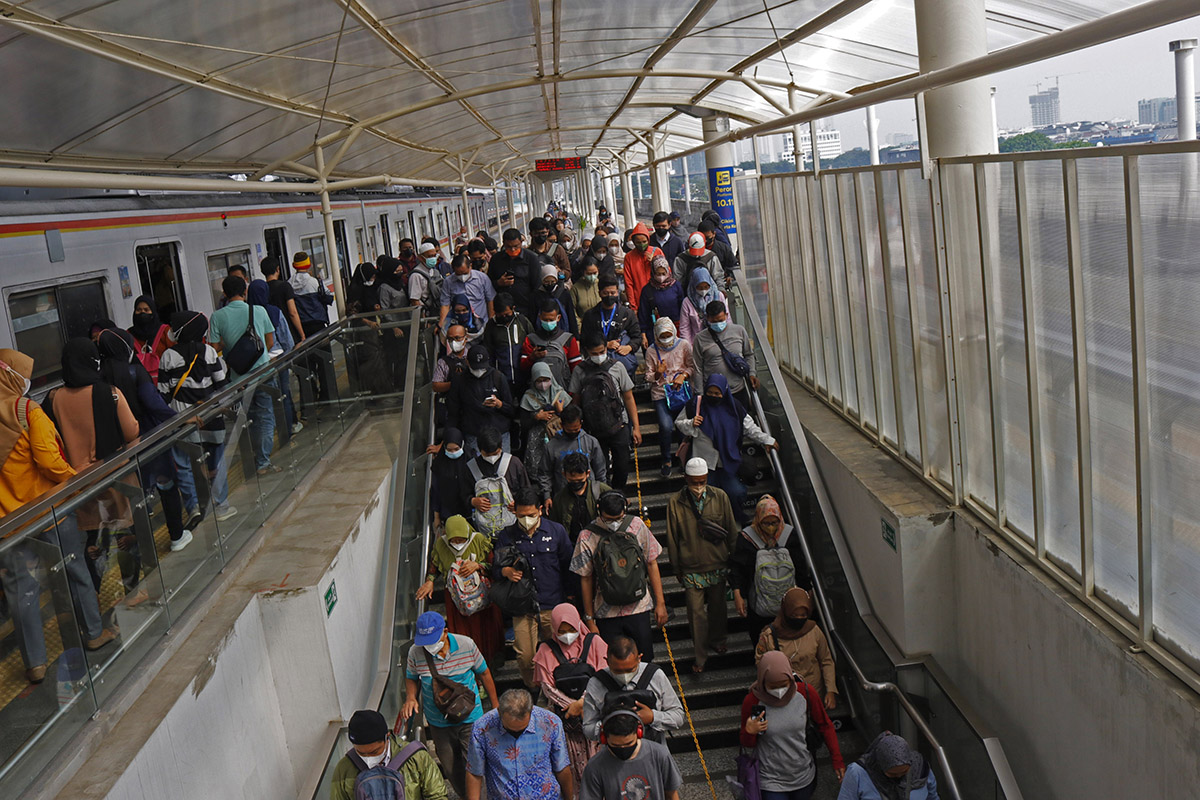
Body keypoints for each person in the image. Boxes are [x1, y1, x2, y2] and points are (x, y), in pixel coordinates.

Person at [0, 348, 114, 684]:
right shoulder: (27, 410)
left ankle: (35, 663)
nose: (27, 382)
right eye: (24, 375)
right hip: (46, 510)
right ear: (12, 377)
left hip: (8, 523)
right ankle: (93, 631)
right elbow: (49, 461)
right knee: (73, 568)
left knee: (22, 591)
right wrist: (75, 484)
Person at [48, 338, 141, 612]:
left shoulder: (54, 399)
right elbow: (131, 430)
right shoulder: (110, 393)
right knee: (125, 535)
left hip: (78, 484)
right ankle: (132, 592)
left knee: (93, 541)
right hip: (115, 478)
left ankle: (93, 600)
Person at [97, 329, 191, 555]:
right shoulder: (135, 371)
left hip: (119, 448)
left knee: (135, 497)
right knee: (166, 485)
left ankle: (140, 546)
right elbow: (153, 403)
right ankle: (176, 536)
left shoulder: (98, 379)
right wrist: (180, 419)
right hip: (149, 438)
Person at [402, 611, 499, 800]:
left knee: (475, 761)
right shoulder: (415, 652)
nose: (429, 646)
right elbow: (411, 678)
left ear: (445, 632)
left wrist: (495, 707)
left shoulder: (466, 644)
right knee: (450, 766)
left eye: (433, 640)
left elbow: (485, 673)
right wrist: (411, 697)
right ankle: (465, 795)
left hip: (470, 717)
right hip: (439, 721)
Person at [571, 492, 667, 660]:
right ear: (599, 510)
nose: (614, 524)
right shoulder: (587, 535)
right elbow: (585, 578)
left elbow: (652, 562)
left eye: (619, 518)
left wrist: (660, 604)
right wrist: (589, 618)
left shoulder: (637, 525)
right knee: (612, 662)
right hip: (606, 611)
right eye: (609, 519)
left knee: (644, 659)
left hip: (639, 606)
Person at [493, 488, 573, 689]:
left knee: (559, 652)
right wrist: (507, 572)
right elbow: (495, 569)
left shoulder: (556, 531)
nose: (526, 519)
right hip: (523, 606)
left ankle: (558, 688)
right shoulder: (507, 536)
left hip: (553, 604)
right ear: (515, 513)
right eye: (521, 516)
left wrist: (571, 599)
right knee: (526, 656)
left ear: (540, 510)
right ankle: (535, 689)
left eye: (531, 515)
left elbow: (568, 565)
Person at [158, 311, 235, 521]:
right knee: (216, 463)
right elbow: (222, 386)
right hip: (211, 417)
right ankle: (221, 506)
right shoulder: (210, 352)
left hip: (183, 421)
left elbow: (163, 394)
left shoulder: (168, 357)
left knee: (184, 466)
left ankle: (194, 508)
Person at [665, 458, 737, 673]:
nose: (698, 486)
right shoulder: (675, 502)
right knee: (695, 613)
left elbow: (731, 530)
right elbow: (672, 538)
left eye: (702, 481)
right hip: (690, 566)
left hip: (718, 562)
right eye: (694, 482)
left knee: (718, 607)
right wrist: (676, 568)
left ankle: (718, 639)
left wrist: (734, 561)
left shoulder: (720, 497)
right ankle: (700, 655)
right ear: (686, 479)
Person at [740, 650, 845, 800]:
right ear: (762, 681)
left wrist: (837, 759)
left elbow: (825, 725)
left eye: (784, 684)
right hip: (770, 779)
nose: (779, 691)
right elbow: (746, 743)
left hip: (803, 774)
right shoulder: (753, 701)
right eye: (772, 686)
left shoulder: (805, 693)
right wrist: (750, 731)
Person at [675, 374, 776, 523]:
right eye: (710, 392)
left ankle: (734, 519)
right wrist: (691, 423)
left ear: (724, 392)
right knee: (704, 498)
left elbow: (750, 428)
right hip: (704, 464)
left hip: (728, 462)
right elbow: (679, 423)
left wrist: (767, 440)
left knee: (736, 492)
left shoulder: (735, 408)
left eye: (717, 393)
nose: (713, 396)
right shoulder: (695, 405)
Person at [533, 603, 609, 793]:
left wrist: (584, 703)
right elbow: (547, 687)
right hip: (566, 722)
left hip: (596, 717)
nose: (567, 634)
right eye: (562, 630)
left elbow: (604, 677)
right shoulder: (545, 650)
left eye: (571, 629)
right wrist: (572, 707)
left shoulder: (595, 643)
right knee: (575, 767)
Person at [208, 276, 280, 475]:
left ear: (224, 294)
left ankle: (251, 460)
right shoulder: (259, 310)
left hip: (238, 379)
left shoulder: (217, 317)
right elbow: (270, 342)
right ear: (245, 291)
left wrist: (232, 347)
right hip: (264, 374)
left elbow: (214, 350)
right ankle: (263, 462)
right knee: (265, 417)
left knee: (246, 419)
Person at [415, 514, 504, 666]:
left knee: (486, 632)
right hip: (457, 600)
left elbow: (495, 566)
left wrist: (478, 566)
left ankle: (490, 664)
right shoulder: (441, 545)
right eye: (454, 540)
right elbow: (434, 566)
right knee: (463, 633)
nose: (457, 543)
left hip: (482, 599)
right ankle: (470, 666)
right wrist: (430, 581)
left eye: (461, 539)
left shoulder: (479, 541)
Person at [731, 496, 810, 646]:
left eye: (774, 522)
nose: (771, 527)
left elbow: (800, 566)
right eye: (766, 523)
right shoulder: (746, 538)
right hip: (758, 599)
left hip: (787, 599)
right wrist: (738, 593)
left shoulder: (789, 535)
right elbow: (738, 568)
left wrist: (808, 591)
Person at [467, 688, 573, 800]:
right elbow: (474, 771)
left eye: (522, 730)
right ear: (499, 712)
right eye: (510, 730)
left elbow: (562, 767)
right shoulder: (482, 728)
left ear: (531, 711)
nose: (516, 733)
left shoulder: (551, 722)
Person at [567, 336, 641, 490]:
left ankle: (618, 493)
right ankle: (605, 494)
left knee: (622, 464)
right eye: (594, 353)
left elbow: (628, 398)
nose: (598, 356)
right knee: (601, 468)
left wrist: (636, 427)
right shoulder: (580, 370)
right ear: (587, 351)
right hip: (593, 428)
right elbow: (576, 400)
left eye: (602, 352)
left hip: (619, 425)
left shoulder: (617, 367)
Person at [580, 636, 683, 743]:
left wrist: (653, 717)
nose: (624, 675)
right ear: (607, 661)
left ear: (639, 658)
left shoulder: (655, 675)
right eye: (617, 671)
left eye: (630, 670)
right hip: (613, 751)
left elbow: (678, 716)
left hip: (653, 748)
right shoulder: (596, 683)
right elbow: (588, 728)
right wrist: (609, 724)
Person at [330, 709, 447, 800]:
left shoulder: (416, 758)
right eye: (361, 753)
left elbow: (437, 795)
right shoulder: (344, 769)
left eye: (374, 752)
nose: (368, 758)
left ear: (387, 737)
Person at [754, 587, 837, 710]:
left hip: (813, 692)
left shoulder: (814, 631)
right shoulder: (769, 636)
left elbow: (826, 660)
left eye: (803, 615)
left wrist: (831, 690)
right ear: (786, 611)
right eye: (794, 615)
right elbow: (760, 663)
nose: (799, 619)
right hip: (784, 695)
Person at [580, 708, 682, 800]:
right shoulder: (595, 766)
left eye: (629, 743)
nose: (623, 749)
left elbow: (671, 794)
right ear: (604, 739)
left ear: (639, 733)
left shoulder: (659, 755)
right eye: (616, 745)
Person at [644, 318, 694, 477]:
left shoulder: (684, 345)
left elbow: (692, 365)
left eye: (668, 335)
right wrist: (658, 372)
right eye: (662, 336)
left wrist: (684, 375)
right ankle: (666, 460)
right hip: (661, 393)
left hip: (680, 391)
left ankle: (683, 458)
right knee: (665, 426)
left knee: (683, 427)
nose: (666, 339)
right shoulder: (652, 351)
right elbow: (648, 376)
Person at [248, 278, 299, 435]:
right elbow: (286, 339)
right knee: (283, 394)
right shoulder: (274, 311)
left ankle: (267, 432)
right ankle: (288, 428)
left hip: (254, 364)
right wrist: (291, 355)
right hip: (277, 360)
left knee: (260, 401)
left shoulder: (247, 313)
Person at [464, 427, 530, 537]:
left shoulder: (514, 463)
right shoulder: (470, 468)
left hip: (513, 522)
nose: (491, 457)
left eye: (495, 453)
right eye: (487, 454)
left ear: (501, 447)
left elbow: (527, 490)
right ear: (480, 450)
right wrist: (472, 501)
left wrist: (519, 504)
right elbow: (463, 494)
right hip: (484, 528)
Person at [449, 345, 515, 455]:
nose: (479, 371)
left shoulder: (498, 377)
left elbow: (511, 409)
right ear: (467, 362)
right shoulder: (460, 381)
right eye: (476, 367)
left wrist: (499, 404)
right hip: (474, 434)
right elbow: (453, 411)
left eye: (482, 367)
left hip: (499, 433)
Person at [534, 404, 606, 504]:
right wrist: (547, 496)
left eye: (576, 430)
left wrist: (601, 493)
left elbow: (600, 470)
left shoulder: (591, 442)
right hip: (563, 496)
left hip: (590, 495)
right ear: (562, 425)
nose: (573, 432)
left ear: (581, 423)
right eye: (569, 430)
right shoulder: (551, 446)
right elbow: (545, 473)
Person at [289, 251, 335, 405]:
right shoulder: (315, 282)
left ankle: (309, 399)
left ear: (294, 266)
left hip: (300, 330)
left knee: (306, 366)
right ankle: (327, 397)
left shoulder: (289, 284)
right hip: (318, 328)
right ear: (308, 264)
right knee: (324, 362)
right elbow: (329, 298)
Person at [838, 732, 939, 800]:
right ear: (881, 766)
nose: (899, 776)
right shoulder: (857, 773)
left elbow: (933, 797)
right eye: (892, 774)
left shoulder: (920, 767)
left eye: (904, 772)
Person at [580, 278, 640, 379]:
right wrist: (605, 345)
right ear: (599, 293)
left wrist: (629, 347)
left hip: (623, 364)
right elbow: (584, 340)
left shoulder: (627, 314)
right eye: (606, 293)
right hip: (598, 363)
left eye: (613, 293)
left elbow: (637, 337)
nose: (610, 296)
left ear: (618, 292)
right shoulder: (590, 315)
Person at [550, 452, 611, 548]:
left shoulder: (602, 491)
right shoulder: (559, 499)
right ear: (564, 475)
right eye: (572, 481)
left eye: (580, 480)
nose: (576, 484)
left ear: (587, 474)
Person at [520, 299, 582, 389]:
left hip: (562, 392)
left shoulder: (568, 339)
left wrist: (571, 394)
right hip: (537, 394)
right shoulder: (531, 339)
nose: (548, 322)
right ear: (539, 317)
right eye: (545, 319)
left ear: (558, 318)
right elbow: (523, 368)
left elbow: (576, 369)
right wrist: (532, 357)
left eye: (551, 319)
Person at [481, 293, 532, 394]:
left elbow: (532, 342)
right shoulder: (491, 326)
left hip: (523, 376)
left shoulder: (522, 321)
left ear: (513, 308)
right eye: (501, 315)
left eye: (507, 314)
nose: (504, 317)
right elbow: (489, 351)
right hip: (502, 378)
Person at [488, 228, 541, 317]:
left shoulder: (531, 258)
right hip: (503, 310)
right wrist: (498, 283)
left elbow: (536, 285)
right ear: (503, 243)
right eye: (509, 247)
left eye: (516, 246)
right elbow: (488, 284)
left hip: (525, 308)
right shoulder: (496, 259)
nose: (512, 250)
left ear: (521, 242)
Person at [430, 428, 474, 527]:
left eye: (456, 449)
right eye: (449, 450)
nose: (453, 452)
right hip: (448, 515)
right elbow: (436, 491)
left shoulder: (472, 460)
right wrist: (436, 517)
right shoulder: (439, 465)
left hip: (470, 513)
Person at [636, 254, 684, 341]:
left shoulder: (676, 286)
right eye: (658, 274)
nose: (661, 277)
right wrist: (643, 334)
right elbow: (643, 313)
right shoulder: (647, 290)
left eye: (663, 273)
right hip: (655, 331)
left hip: (676, 329)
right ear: (653, 273)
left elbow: (682, 307)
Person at [440, 254, 496, 328]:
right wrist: (442, 324)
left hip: (482, 324)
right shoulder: (448, 282)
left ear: (470, 266)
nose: (462, 277)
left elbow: (490, 300)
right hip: (459, 325)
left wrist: (491, 321)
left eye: (465, 273)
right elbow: (445, 305)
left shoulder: (482, 279)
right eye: (458, 274)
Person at [262, 255, 306, 345]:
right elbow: (292, 312)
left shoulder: (263, 289)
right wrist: (302, 334)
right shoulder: (285, 286)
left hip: (271, 334)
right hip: (289, 331)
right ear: (278, 269)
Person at [128, 295, 172, 382]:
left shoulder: (165, 331)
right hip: (141, 383)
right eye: (138, 310)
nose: (142, 313)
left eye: (146, 310)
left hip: (165, 380)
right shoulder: (128, 335)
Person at [678, 267, 727, 344]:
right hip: (698, 342)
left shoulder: (718, 296)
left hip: (720, 340)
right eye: (699, 287)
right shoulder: (687, 302)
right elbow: (684, 328)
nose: (703, 290)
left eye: (706, 287)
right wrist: (689, 348)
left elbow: (727, 319)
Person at [621, 223, 662, 313]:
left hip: (658, 297)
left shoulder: (657, 251)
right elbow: (629, 283)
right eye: (638, 242)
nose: (642, 244)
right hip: (640, 300)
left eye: (644, 241)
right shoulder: (629, 257)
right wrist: (633, 306)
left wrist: (654, 262)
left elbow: (666, 273)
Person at [534, 264, 578, 336]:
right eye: (546, 282)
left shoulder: (564, 293)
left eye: (552, 281)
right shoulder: (536, 295)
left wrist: (576, 336)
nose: (550, 284)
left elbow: (571, 315)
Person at [432, 324, 469, 395]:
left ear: (465, 338)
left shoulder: (472, 356)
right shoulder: (443, 362)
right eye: (450, 339)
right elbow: (436, 386)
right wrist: (455, 384)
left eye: (457, 338)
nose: (454, 342)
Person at [570, 258, 602, 327]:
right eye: (589, 274)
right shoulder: (575, 288)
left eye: (594, 273)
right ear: (583, 272)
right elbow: (573, 311)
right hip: (584, 327)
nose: (592, 276)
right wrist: (579, 327)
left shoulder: (602, 284)